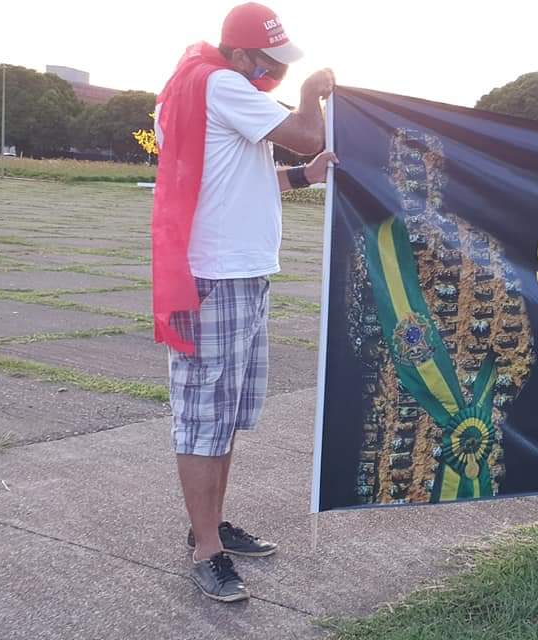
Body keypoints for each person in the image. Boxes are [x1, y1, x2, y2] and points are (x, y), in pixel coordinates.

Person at [151, 2, 336, 603]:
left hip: (239, 275)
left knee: (224, 415)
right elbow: (306, 133)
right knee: (204, 417)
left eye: (284, 64)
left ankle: (209, 524)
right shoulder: (221, 84)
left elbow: (239, 177)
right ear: (238, 54)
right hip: (218, 278)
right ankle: (206, 549)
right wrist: (309, 96)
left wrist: (303, 176)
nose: (276, 72)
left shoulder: (202, 88)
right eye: (269, 62)